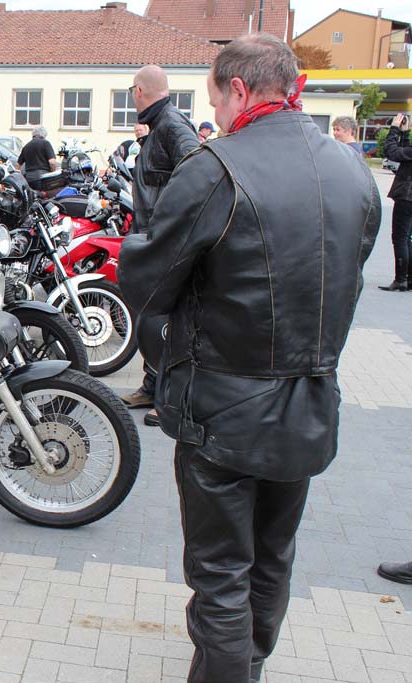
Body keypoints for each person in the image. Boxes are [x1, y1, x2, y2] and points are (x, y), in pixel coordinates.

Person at [118, 34, 380, 683]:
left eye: (215, 99)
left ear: (237, 89)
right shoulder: (351, 168)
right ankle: (246, 663)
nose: (215, 113)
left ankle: (231, 669)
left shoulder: (215, 167)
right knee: (271, 557)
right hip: (308, 400)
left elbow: (147, 284)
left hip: (225, 408)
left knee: (221, 574)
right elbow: (352, 267)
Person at [120, 64, 201, 428]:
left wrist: (171, 226)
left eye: (132, 92)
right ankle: (152, 386)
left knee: (167, 324)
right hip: (152, 239)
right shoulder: (158, 125)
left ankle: (169, 398)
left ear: (139, 91)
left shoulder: (171, 124)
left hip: (167, 242)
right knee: (150, 319)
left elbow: (196, 173)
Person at [378, 114, 412, 292]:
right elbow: (406, 155)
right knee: (407, 238)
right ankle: (409, 279)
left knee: (400, 238)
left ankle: (400, 279)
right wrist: (405, 134)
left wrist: (394, 129)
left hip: (407, 197)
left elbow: (392, 152)